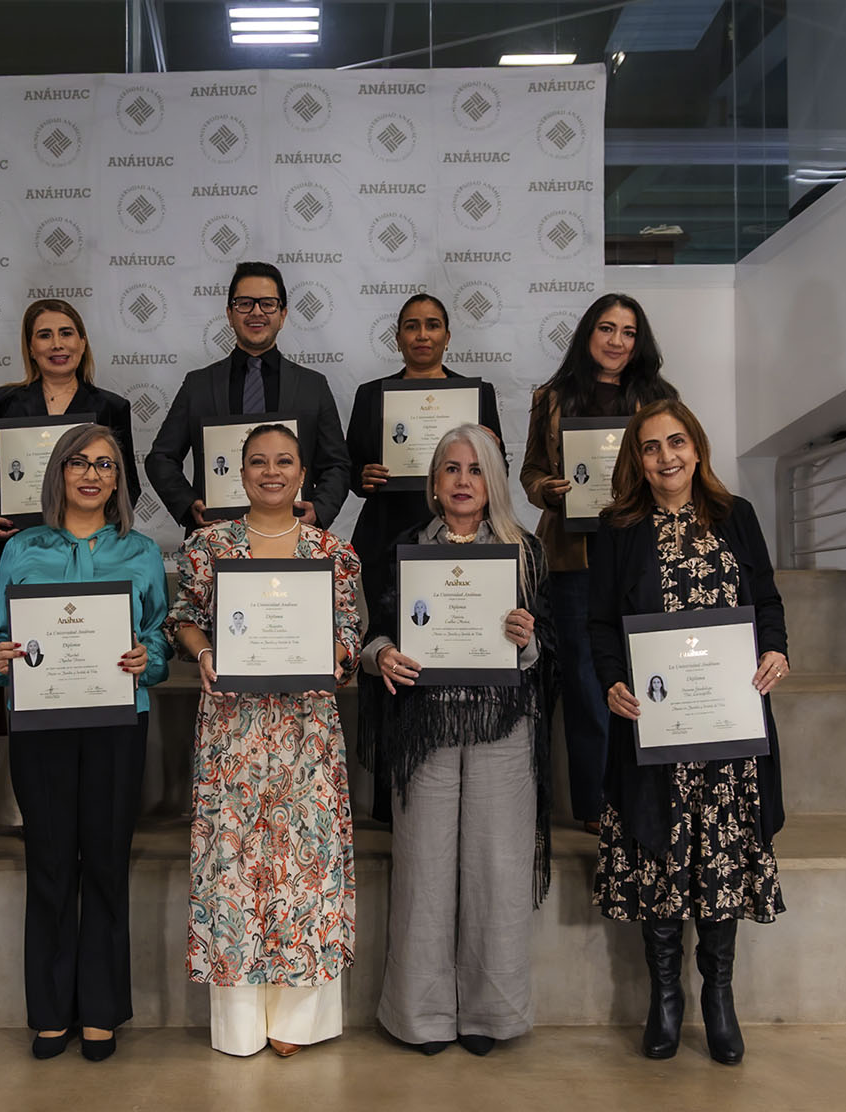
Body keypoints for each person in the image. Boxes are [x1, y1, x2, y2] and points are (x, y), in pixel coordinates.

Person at [588, 397, 789, 1066]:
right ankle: (665, 997)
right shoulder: (618, 528)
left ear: (696, 448)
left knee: (721, 860)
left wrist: (776, 649)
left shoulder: (737, 517)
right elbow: (598, 622)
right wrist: (612, 680)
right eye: (650, 447)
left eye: (676, 442)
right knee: (662, 858)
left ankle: (719, 997)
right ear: (637, 461)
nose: (665, 456)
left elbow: (765, 599)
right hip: (656, 728)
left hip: (729, 731)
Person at [361, 424, 556, 1056]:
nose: (462, 481)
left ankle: (488, 1016)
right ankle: (421, 1018)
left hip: (504, 728)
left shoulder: (525, 552)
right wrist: (382, 656)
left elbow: (551, 648)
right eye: (450, 469)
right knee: (423, 871)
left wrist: (526, 640)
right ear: (434, 482)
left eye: (474, 470)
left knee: (498, 871)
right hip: (427, 728)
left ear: (492, 479)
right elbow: (374, 634)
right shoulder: (405, 549)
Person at [169, 423, 361, 1056]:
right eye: (258, 461)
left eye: (284, 461)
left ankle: (298, 1023)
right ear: (239, 471)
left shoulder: (333, 551)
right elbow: (186, 620)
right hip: (233, 730)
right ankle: (244, 1024)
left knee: (305, 868)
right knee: (234, 869)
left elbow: (350, 632)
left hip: (306, 731)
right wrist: (202, 653)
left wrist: (334, 653)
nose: (271, 472)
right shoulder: (206, 547)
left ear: (303, 472)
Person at [0, 423, 170, 1062]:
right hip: (41, 723)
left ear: (119, 479)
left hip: (119, 720)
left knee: (107, 860)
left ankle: (100, 1008)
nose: (92, 474)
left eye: (106, 464)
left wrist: (148, 656)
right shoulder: (22, 548)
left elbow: (160, 638)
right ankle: (49, 1009)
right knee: (51, 861)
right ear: (59, 472)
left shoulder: (142, 551)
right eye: (79, 463)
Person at [521, 293, 678, 835]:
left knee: (646, 675)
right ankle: (595, 804)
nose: (616, 341)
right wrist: (549, 488)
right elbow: (531, 472)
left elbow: (676, 464)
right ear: (589, 334)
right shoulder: (553, 397)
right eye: (607, 329)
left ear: (640, 342)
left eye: (629, 332)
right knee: (588, 684)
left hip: (644, 553)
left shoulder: (659, 399)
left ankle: (651, 791)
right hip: (573, 558)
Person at [146, 262, 351, 533]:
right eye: (244, 303)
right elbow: (160, 457)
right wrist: (188, 505)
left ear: (283, 314)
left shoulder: (313, 386)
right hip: (217, 534)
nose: (256, 312)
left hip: (293, 534)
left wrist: (320, 510)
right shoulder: (198, 385)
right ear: (230, 314)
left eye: (267, 303)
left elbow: (337, 464)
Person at [346, 293, 504, 608]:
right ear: (398, 338)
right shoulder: (370, 396)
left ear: (446, 338)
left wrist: (493, 452)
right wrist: (363, 475)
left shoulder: (478, 396)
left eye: (432, 326)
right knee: (387, 628)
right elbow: (351, 471)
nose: (422, 335)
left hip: (461, 533)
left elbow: (498, 477)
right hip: (385, 532)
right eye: (411, 326)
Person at [0, 299, 140, 582]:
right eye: (45, 335)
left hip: (89, 549)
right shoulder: (5, 402)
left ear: (82, 343)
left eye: (66, 333)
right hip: (19, 547)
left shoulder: (112, 407)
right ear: (31, 348)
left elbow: (128, 484)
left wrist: (98, 528)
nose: (57, 344)